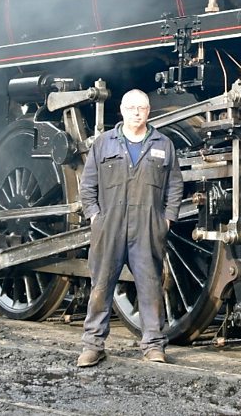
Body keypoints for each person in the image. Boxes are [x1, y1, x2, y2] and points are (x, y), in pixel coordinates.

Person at [77, 89, 183, 367]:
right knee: (101, 286)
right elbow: (87, 185)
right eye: (132, 108)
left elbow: (175, 186)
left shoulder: (164, 144)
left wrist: (166, 220)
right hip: (109, 226)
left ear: (149, 112)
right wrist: (95, 217)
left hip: (148, 227)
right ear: (122, 110)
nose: (137, 112)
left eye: (142, 108)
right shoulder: (103, 143)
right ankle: (93, 344)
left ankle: (153, 345)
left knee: (150, 286)